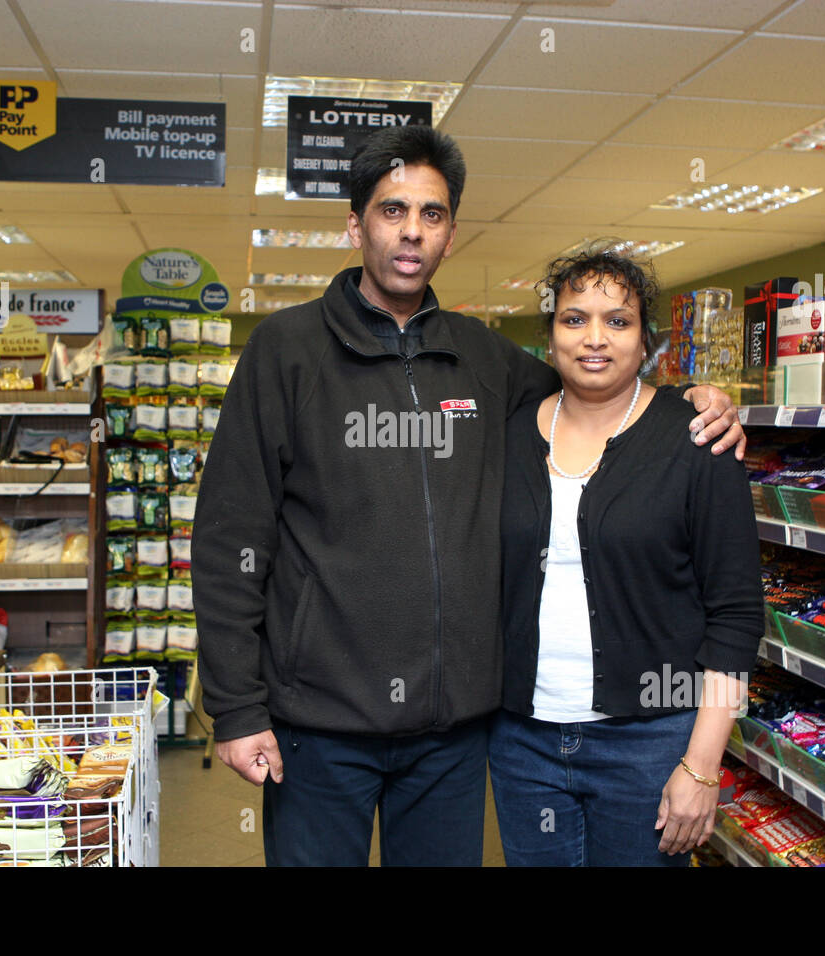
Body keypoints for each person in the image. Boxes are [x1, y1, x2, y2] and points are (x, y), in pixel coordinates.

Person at [192, 125, 746, 867]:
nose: (412, 231)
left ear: (452, 233)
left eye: (433, 214)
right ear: (356, 224)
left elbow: (599, 385)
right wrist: (235, 705)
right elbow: (230, 537)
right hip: (315, 727)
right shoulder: (285, 353)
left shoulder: (486, 361)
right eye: (392, 211)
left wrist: (698, 402)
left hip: (451, 738)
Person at [491, 242, 764, 867]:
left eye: (618, 321)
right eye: (574, 318)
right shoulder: (505, 438)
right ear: (551, 335)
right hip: (521, 740)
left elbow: (737, 615)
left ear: (646, 342)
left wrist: (701, 766)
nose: (595, 338)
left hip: (651, 740)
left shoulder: (697, 441)